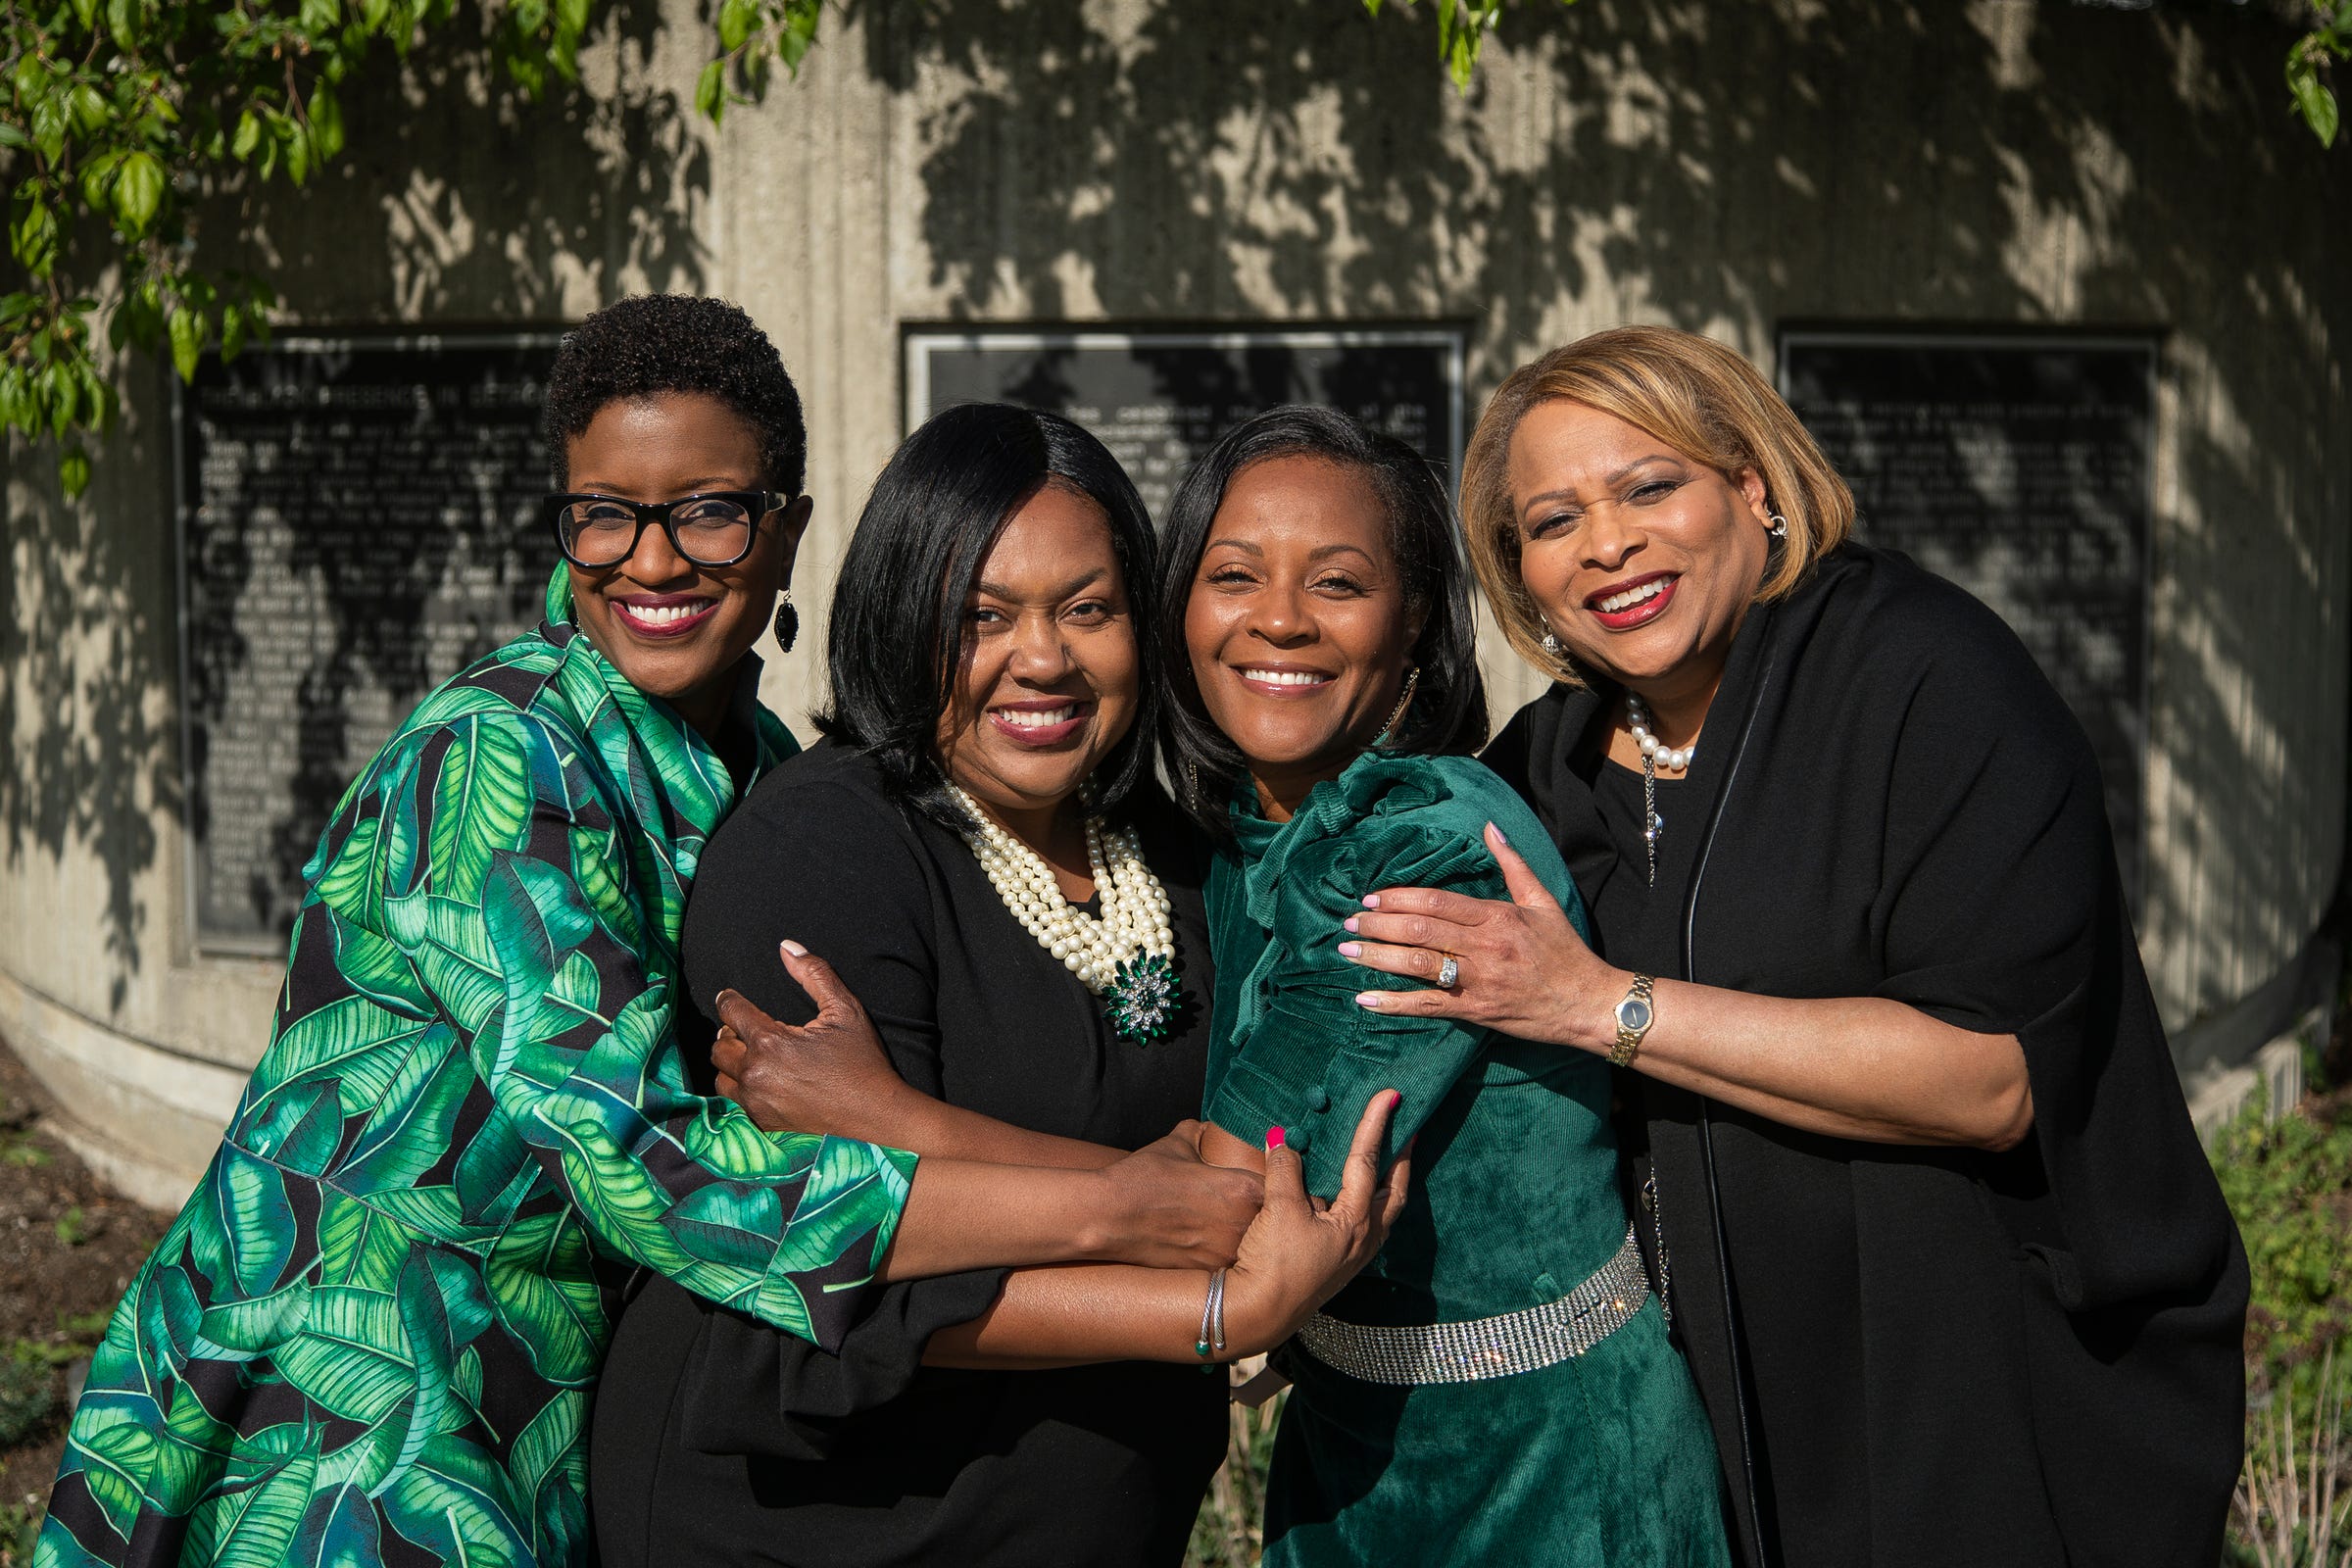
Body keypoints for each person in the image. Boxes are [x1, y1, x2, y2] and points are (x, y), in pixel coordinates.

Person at [36, 299, 1256, 1568]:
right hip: (361, 1399)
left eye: (709, 511)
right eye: (603, 514)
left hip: (542, 1393)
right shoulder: (494, 759)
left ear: (786, 532)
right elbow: (650, 1171)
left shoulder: (756, 765)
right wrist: (1117, 1209)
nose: (653, 562)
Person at [706, 407, 1730, 1566]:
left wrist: (889, 1122)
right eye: (1234, 574)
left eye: (1338, 583)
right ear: (1184, 610)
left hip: (1552, 1477)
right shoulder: (1226, 840)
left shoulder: (1425, 843)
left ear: (1414, 635)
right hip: (1348, 1461)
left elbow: (1243, 1201)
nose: (1279, 617)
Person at [1335, 326, 2250, 1567]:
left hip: (1970, 1406)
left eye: (1651, 486)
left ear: (1752, 490)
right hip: (1703, 1442)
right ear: (1524, 577)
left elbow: (1990, 1080)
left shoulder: (1919, 679)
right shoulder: (1541, 775)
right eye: (1552, 522)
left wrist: (1602, 1004)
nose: (1607, 542)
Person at [589, 403, 1408, 1568]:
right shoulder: (821, 855)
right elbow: (856, 1261)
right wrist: (1217, 1308)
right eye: (981, 614)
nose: (1043, 658)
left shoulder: (1179, 865)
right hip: (812, 1522)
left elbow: (1256, 1189)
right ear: (900, 615)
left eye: (1089, 609)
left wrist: (903, 1122)